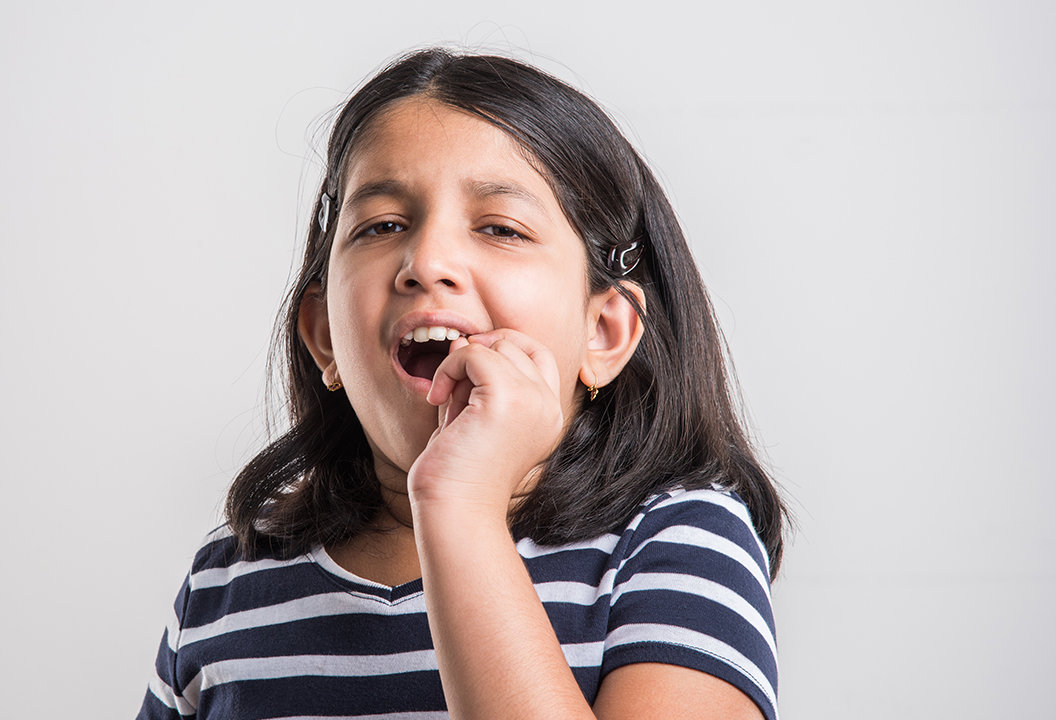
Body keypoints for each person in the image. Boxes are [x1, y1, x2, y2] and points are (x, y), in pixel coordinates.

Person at [137, 48, 788, 720]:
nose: (427, 261)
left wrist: (461, 505)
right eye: (384, 225)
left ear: (602, 335)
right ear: (325, 337)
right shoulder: (227, 578)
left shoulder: (675, 543)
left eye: (500, 228)